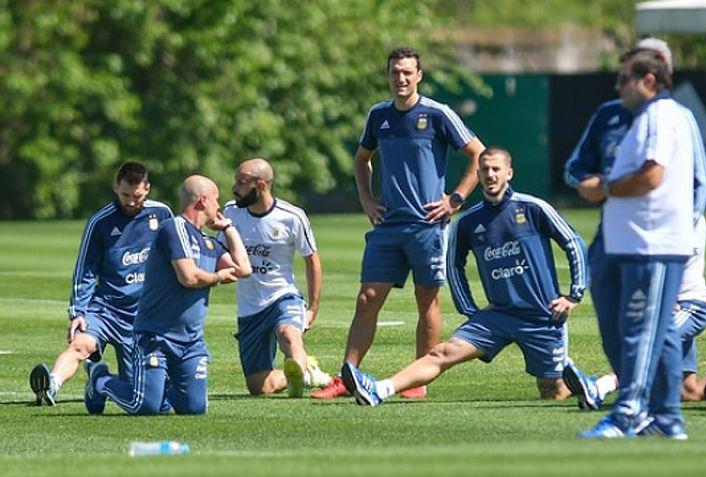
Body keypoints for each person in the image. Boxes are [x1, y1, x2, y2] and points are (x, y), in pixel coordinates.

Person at [341, 147, 588, 406]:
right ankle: (378, 389)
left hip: (541, 316)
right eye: (484, 169)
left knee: (552, 390)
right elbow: (454, 267)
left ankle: (603, 386)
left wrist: (574, 295)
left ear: (509, 173)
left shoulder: (533, 208)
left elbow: (573, 243)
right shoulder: (469, 221)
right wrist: (471, 310)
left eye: (496, 169)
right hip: (497, 316)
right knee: (442, 352)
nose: (490, 175)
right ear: (478, 174)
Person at [312, 46, 485, 400]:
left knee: (427, 301)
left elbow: (478, 154)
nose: (401, 78)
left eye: (407, 72)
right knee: (367, 298)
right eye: (395, 72)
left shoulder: (438, 114)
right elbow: (362, 159)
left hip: (428, 226)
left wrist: (455, 199)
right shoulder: (379, 116)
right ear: (388, 75)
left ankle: (417, 379)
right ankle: (347, 377)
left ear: (419, 75)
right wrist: (366, 198)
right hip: (388, 226)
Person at [563, 38, 706, 412]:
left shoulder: (673, 116)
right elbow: (575, 168)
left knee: (648, 332)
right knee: (678, 375)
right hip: (619, 235)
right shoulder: (610, 115)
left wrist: (682, 227)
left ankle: (620, 399)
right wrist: (588, 185)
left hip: (661, 242)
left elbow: (695, 180)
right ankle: (663, 411)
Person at [83, 175, 251, 415]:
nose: (219, 206)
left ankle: (159, 387)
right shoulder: (174, 228)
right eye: (216, 200)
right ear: (203, 200)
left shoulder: (207, 242)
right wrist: (218, 277)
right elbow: (188, 277)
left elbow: (244, 269)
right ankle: (101, 380)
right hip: (156, 338)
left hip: (191, 342)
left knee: (194, 409)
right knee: (145, 406)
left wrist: (229, 228)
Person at [29, 161, 172, 406]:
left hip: (143, 316)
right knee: (81, 344)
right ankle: (51, 386)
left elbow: (175, 259)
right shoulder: (100, 222)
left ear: (147, 188)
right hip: (106, 309)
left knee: (145, 396)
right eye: (125, 194)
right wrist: (78, 312)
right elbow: (85, 270)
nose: (130, 201)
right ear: (116, 187)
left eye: (136, 196)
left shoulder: (162, 214)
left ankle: (99, 378)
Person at [221, 158, 330, 398]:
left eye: (241, 182)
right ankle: (307, 371)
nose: (235, 188)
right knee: (260, 388)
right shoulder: (230, 212)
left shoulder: (292, 216)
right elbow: (221, 251)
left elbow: (312, 259)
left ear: (260, 185)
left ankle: (298, 367)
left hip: (283, 296)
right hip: (249, 308)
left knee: (287, 334)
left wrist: (313, 307)